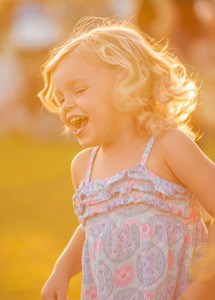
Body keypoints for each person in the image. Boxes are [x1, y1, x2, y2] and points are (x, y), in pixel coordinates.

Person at [38, 17, 215, 300]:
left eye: (79, 90)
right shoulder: (83, 166)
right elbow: (95, 226)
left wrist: (206, 283)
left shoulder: (167, 147)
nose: (67, 104)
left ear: (128, 84)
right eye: (60, 99)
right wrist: (62, 269)